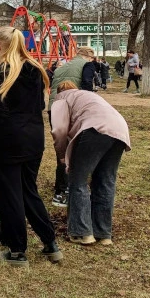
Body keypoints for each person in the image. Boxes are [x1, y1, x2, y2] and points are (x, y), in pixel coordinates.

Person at [0, 26, 62, 267]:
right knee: (28, 190)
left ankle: (17, 251)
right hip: (34, 139)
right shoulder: (36, 70)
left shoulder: (0, 75)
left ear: (1, 46)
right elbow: (39, 105)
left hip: (8, 142)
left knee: (10, 195)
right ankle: (50, 244)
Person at [50, 81, 131, 246]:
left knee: (78, 181)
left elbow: (59, 130)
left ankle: (82, 232)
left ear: (59, 91)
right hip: (120, 130)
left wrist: (62, 156)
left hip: (95, 129)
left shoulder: (61, 98)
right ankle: (103, 233)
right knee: (105, 181)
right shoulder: (88, 96)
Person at [46, 45, 92, 207]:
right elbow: (87, 85)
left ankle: (60, 189)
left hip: (54, 108)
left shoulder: (62, 66)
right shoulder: (87, 65)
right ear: (89, 56)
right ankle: (67, 190)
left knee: (62, 148)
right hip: (71, 108)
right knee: (74, 148)